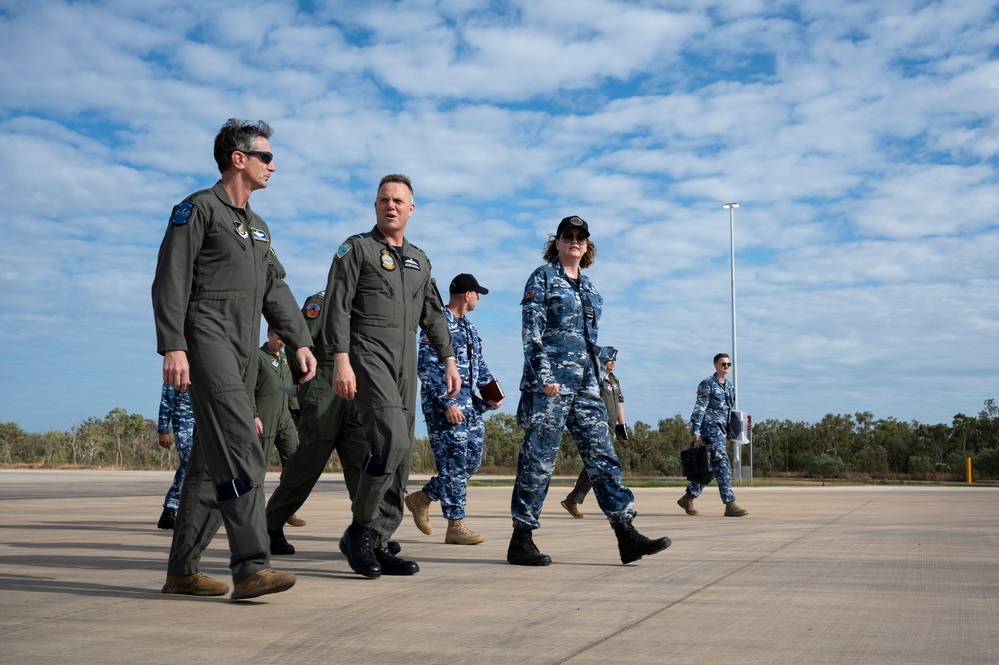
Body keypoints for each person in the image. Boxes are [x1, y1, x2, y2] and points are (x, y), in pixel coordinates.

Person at [151, 118, 317, 600]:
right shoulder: (198, 209)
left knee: (208, 463)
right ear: (238, 159)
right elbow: (171, 278)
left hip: (245, 350)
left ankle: (182, 571)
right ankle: (250, 565)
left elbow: (276, 290)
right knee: (245, 444)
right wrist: (173, 344)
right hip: (206, 337)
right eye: (266, 156)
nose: (273, 165)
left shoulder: (259, 229)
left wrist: (301, 341)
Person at [508, 215, 670, 566]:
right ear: (557, 243)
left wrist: (597, 379)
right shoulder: (543, 278)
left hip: (585, 388)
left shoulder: (592, 291)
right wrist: (544, 375)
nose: (574, 241)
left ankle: (626, 534)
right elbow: (531, 334)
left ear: (587, 245)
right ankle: (521, 538)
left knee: (603, 457)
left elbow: (590, 342)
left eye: (581, 237)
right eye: (568, 236)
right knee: (538, 462)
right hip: (548, 387)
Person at [325, 174, 460, 579]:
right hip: (368, 356)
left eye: (399, 200)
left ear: (411, 208)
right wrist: (341, 360)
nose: (391, 205)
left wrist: (448, 359)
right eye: (384, 199)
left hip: (405, 367)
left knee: (400, 459)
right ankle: (359, 531)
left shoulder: (420, 260)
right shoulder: (357, 249)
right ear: (375, 206)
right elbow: (336, 307)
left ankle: (378, 541)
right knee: (391, 439)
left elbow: (433, 315)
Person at [265, 290, 399, 558]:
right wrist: (306, 382)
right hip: (324, 387)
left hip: (356, 391)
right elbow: (297, 341)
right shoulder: (322, 301)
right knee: (307, 463)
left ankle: (369, 532)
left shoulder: (368, 303)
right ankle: (269, 526)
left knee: (362, 464)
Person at [406, 273, 502, 545]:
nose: (478, 299)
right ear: (467, 294)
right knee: (455, 462)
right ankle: (455, 525)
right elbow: (425, 367)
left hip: (469, 405)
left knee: (471, 461)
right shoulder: (438, 323)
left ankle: (422, 498)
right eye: (477, 294)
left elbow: (479, 366)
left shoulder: (469, 328)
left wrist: (491, 392)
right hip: (445, 407)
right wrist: (446, 403)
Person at [678, 353, 749, 517]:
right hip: (710, 429)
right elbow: (700, 408)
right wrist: (695, 430)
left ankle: (688, 497)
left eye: (729, 364)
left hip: (722, 431)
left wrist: (731, 432)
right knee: (723, 465)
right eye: (723, 364)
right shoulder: (707, 384)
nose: (726, 367)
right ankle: (730, 504)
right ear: (715, 365)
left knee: (709, 470)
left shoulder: (729, 386)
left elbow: (729, 412)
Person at [560, 357, 626, 518]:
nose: (613, 362)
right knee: (602, 464)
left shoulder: (614, 380)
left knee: (596, 464)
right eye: (609, 359)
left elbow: (619, 405)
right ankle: (616, 505)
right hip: (597, 425)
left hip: (610, 427)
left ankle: (573, 499)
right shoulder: (594, 377)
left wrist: (622, 430)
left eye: (615, 359)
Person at [254, 327, 306, 528]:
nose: (282, 341)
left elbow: (290, 390)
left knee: (295, 462)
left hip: (285, 419)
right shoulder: (258, 357)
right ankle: (253, 512)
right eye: (278, 337)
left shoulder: (286, 360)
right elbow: (248, 388)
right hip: (264, 418)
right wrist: (253, 415)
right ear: (269, 334)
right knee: (257, 468)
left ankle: (285, 509)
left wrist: (298, 417)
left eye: (285, 338)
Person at [156, 381, 194, 530]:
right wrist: (163, 430)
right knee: (189, 463)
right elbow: (167, 399)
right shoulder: (177, 367)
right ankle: (169, 511)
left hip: (205, 421)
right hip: (184, 421)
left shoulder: (206, 364)